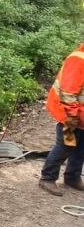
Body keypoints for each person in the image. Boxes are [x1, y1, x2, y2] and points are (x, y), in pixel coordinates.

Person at [39, 43, 84, 196]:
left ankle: (72, 176)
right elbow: (68, 92)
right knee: (66, 145)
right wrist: (71, 116)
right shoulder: (78, 60)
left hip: (82, 116)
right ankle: (47, 178)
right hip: (71, 115)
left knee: (81, 147)